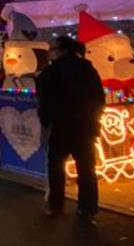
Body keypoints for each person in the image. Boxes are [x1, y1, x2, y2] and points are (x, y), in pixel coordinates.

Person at [35, 36, 105, 224]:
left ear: (61, 50)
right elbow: (99, 98)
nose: (50, 52)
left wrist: (46, 120)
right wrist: (93, 118)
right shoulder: (87, 69)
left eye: (52, 48)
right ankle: (87, 209)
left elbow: (44, 101)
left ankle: (56, 206)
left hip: (60, 127)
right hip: (85, 127)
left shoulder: (50, 73)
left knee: (56, 167)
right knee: (87, 169)